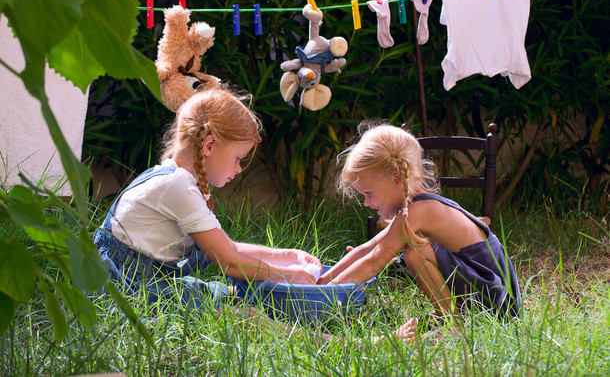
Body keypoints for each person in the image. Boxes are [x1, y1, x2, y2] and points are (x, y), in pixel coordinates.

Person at [94, 90, 322, 308]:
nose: (239, 168)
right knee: (244, 316)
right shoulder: (176, 186)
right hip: (124, 291)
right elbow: (230, 262)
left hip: (148, 281)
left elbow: (228, 248)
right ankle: (320, 340)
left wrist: (288, 256)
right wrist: (291, 275)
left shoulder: (180, 181)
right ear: (209, 145)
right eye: (238, 158)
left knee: (232, 295)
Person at [318, 122, 521, 334]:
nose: (366, 202)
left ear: (397, 179)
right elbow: (368, 248)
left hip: (496, 299)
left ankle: (453, 325)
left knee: (414, 252)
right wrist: (324, 280)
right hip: (487, 289)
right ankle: (453, 316)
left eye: (368, 193)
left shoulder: (419, 211)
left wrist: (323, 297)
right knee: (415, 249)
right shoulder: (414, 208)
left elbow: (375, 259)